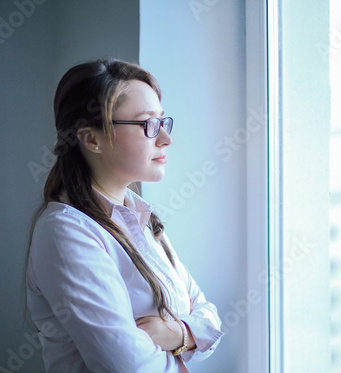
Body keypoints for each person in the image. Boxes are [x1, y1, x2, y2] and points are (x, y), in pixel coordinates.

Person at [26, 59, 224, 372]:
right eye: (148, 124)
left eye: (162, 121)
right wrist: (188, 335)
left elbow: (208, 316)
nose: (165, 139)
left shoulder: (140, 217)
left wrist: (180, 333)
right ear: (92, 139)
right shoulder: (65, 231)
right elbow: (130, 366)